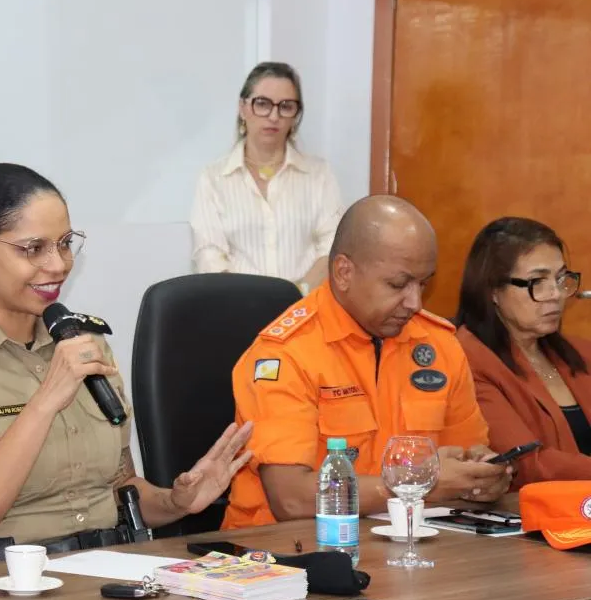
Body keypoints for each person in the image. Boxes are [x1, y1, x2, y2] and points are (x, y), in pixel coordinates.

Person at [0, 163, 253, 557]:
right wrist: (45, 401)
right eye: (33, 248)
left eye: (64, 243)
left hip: (111, 570)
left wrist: (176, 502)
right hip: (6, 581)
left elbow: (118, 488)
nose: (58, 264)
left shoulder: (84, 342)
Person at [223, 195, 512, 529]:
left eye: (423, 283)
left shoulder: (438, 343)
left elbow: (466, 456)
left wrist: (483, 476)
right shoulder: (286, 354)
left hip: (406, 543)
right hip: (282, 555)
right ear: (344, 272)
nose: (415, 302)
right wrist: (421, 482)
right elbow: (291, 499)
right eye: (398, 284)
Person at [190, 62, 347, 295]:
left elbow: (333, 248)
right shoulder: (213, 178)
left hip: (306, 311)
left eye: (286, 106)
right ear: (243, 108)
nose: (274, 116)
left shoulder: (319, 174)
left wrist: (295, 295)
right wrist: (254, 304)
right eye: (262, 104)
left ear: (296, 115)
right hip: (238, 311)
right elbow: (209, 256)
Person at [456, 217, 591, 485]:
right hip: (534, 516)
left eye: (561, 278)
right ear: (493, 290)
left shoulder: (580, 352)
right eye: (537, 281)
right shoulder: (467, 359)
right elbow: (527, 464)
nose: (556, 294)